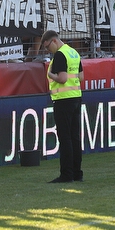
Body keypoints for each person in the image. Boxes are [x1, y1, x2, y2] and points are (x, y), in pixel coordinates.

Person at [42, 29, 83, 183]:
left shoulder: (60, 54)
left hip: (63, 100)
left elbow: (62, 78)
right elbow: (81, 77)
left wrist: (49, 74)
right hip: (76, 97)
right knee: (74, 138)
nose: (47, 50)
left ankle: (66, 174)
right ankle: (77, 173)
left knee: (65, 139)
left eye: (47, 46)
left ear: (53, 41)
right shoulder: (73, 52)